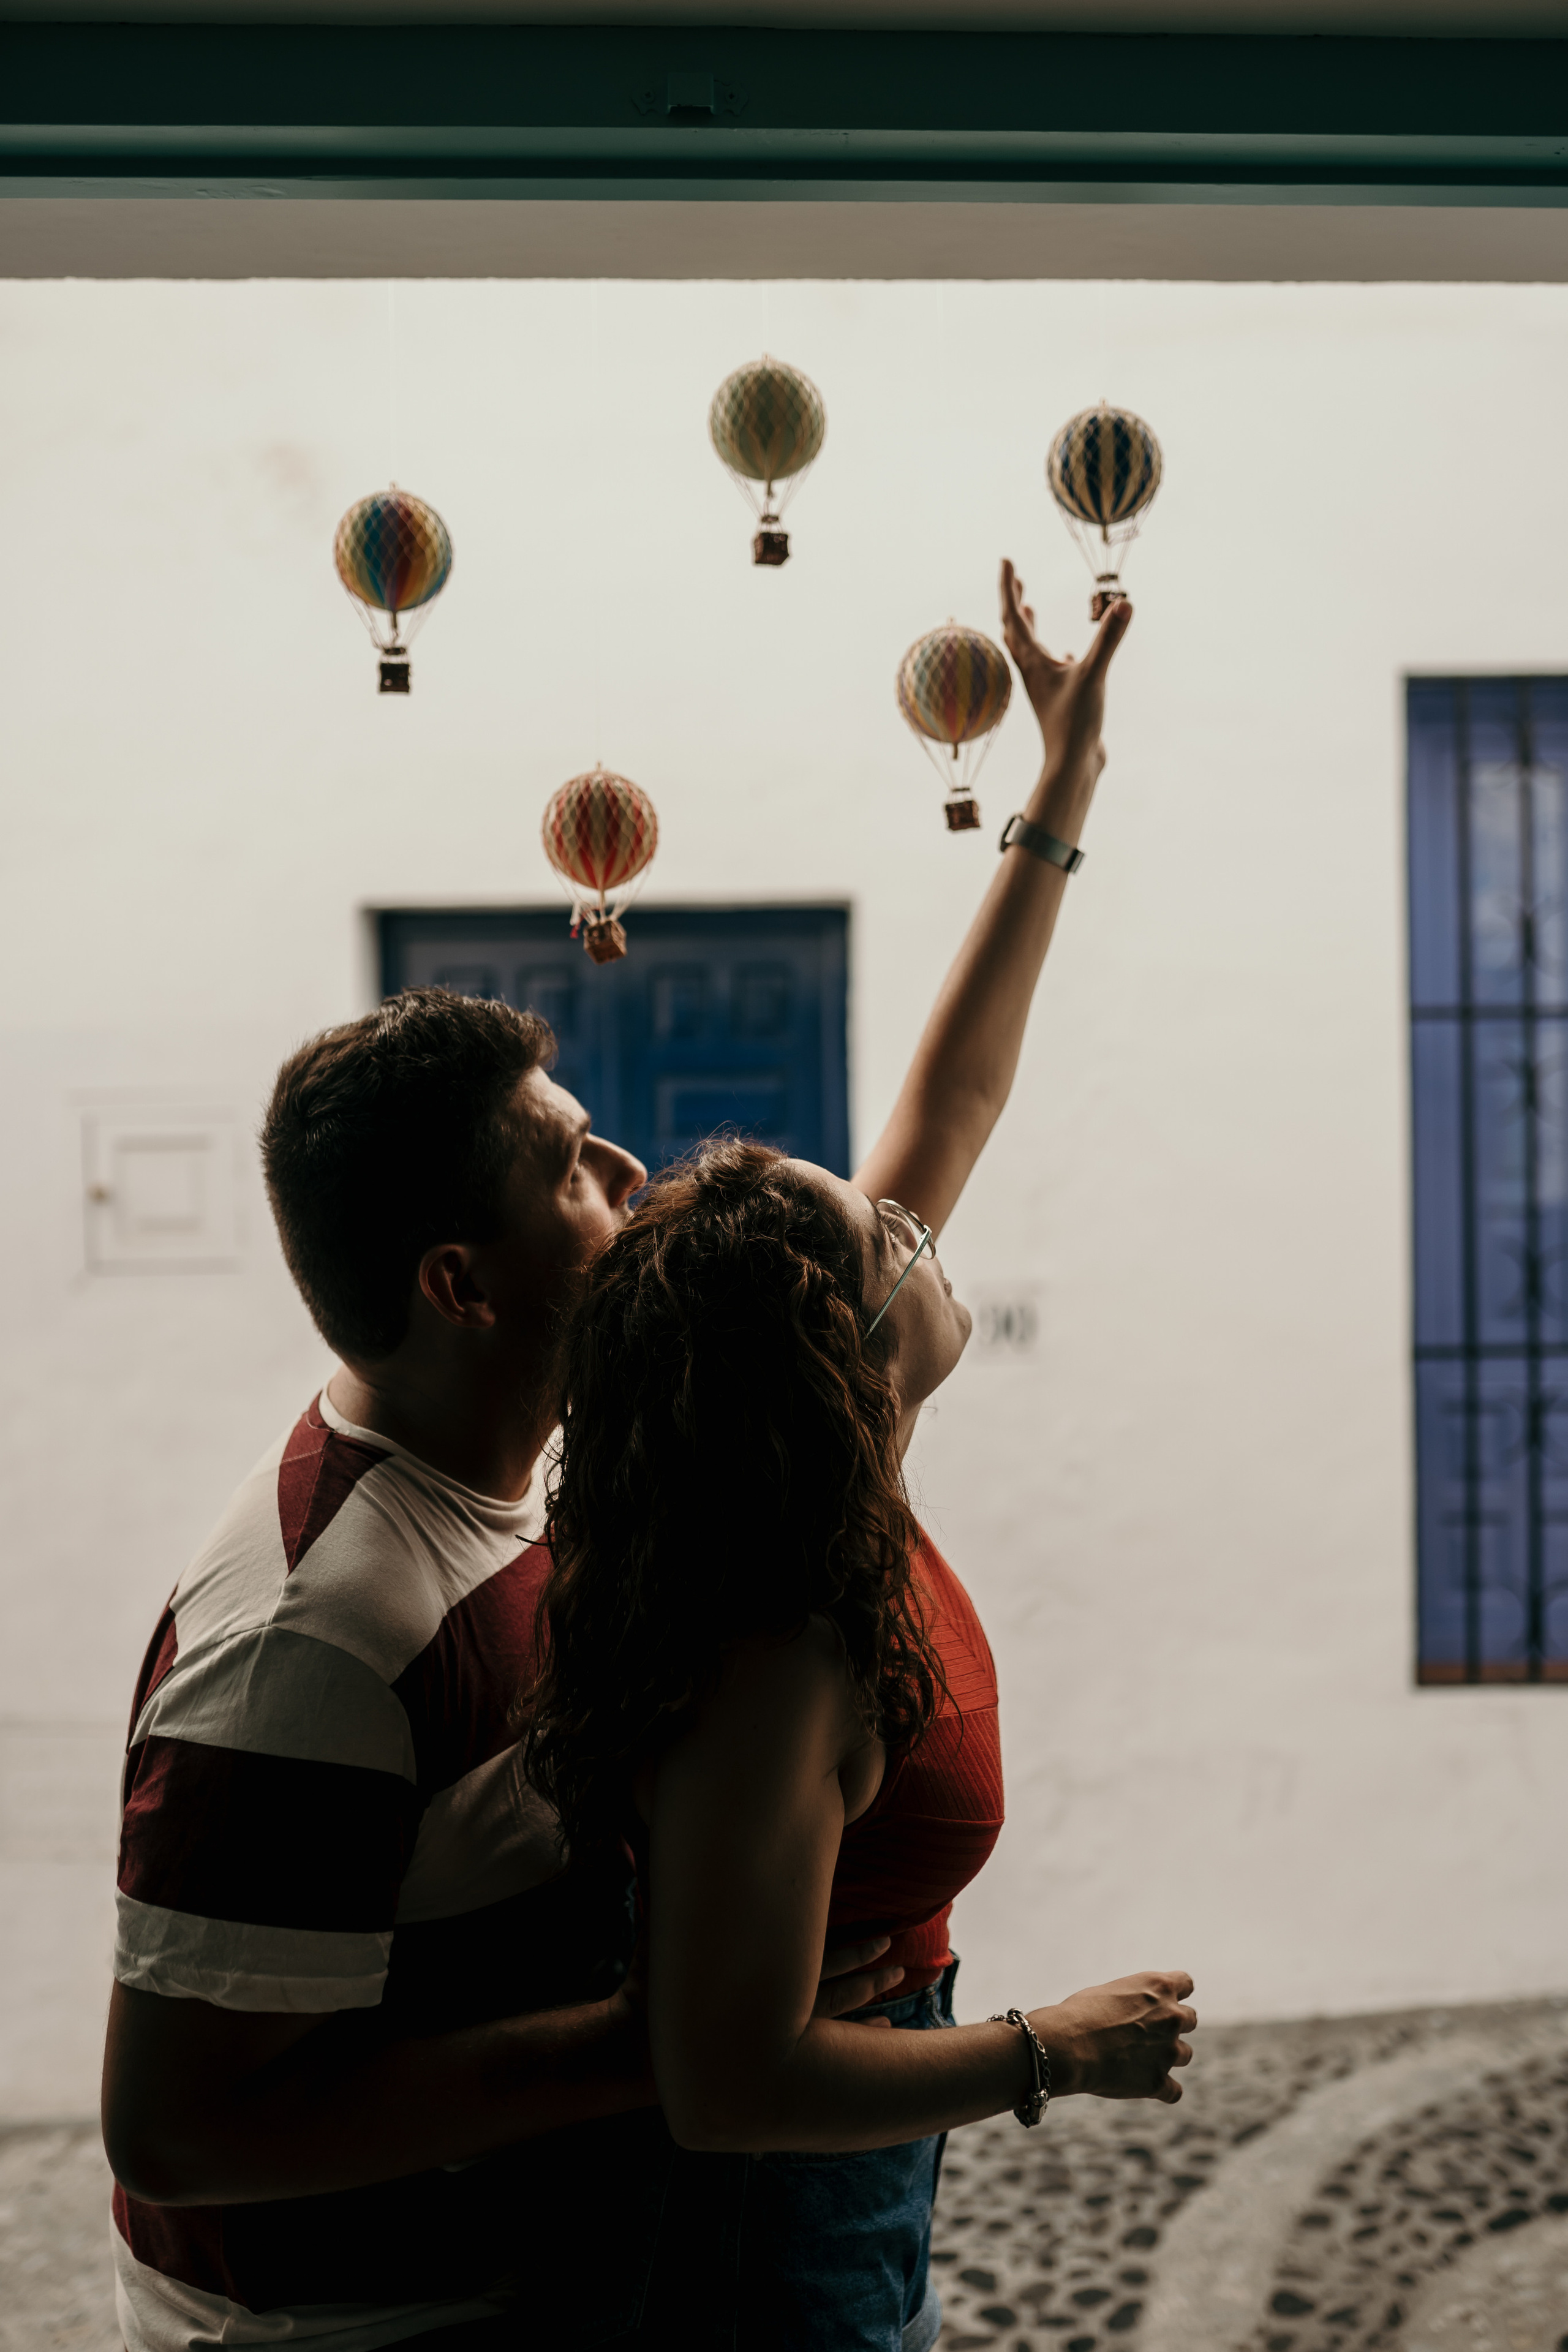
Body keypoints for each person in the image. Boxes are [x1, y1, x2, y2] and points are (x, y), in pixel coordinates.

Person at [100, 560, 1151, 2351]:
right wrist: (679, 2034)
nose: (635, 1179)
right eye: (579, 1168)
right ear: (462, 1285)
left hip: (556, 2264)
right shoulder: (313, 1640)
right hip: (363, 2327)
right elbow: (182, 2128)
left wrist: (1055, 793)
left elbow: (937, 1124)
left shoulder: (617, 1460)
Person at [524, 583, 1195, 2351]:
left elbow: (956, 1093)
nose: (915, 1221)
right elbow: (728, 2086)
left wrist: (1071, 774)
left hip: (841, 2168)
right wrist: (1057, 2052)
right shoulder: (779, 1646)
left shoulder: (824, 1473)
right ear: (848, 1349)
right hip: (762, 2224)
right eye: (882, 1230)